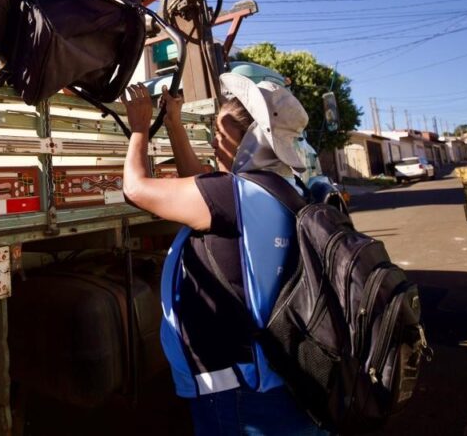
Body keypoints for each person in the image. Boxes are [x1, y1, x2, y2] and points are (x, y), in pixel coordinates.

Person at [122, 74, 325, 436]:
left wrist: (139, 127)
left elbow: (136, 189)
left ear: (250, 140)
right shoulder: (283, 190)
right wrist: (173, 124)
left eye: (221, 134)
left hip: (240, 392)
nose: (215, 143)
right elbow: (201, 185)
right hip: (283, 379)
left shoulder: (230, 196)